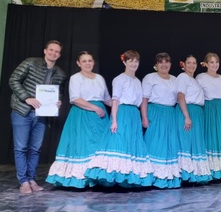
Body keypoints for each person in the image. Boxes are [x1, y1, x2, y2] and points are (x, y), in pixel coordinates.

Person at [84, 50, 155, 187]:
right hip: (123, 113)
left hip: (134, 114)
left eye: (136, 61)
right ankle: (114, 177)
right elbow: (115, 101)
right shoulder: (119, 79)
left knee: (131, 143)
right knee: (119, 142)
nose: (134, 64)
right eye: (131, 61)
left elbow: (140, 102)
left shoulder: (137, 81)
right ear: (124, 62)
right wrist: (114, 120)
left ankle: (129, 178)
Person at [46, 51, 111, 188]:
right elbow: (75, 99)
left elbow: (106, 98)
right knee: (83, 146)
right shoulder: (76, 78)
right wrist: (95, 108)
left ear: (93, 62)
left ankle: (98, 178)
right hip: (83, 114)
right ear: (78, 63)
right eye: (84, 61)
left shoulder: (99, 78)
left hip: (100, 117)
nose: (88, 63)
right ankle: (82, 179)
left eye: (90, 60)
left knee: (100, 146)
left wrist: (121, 107)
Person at [9, 40, 66, 194]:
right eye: (51, 50)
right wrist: (27, 98)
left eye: (57, 51)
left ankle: (31, 179)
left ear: (59, 55)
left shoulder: (60, 73)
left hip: (42, 115)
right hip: (22, 111)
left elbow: (57, 92)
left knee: (35, 149)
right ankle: (23, 182)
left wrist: (57, 102)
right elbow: (13, 80)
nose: (53, 53)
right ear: (45, 51)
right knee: (21, 147)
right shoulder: (30, 63)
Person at [141, 52, 182, 189]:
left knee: (170, 144)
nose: (164, 64)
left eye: (167, 61)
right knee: (154, 143)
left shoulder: (175, 80)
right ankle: (151, 177)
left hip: (170, 114)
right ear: (156, 65)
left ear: (170, 64)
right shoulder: (150, 78)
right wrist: (145, 117)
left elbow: (180, 99)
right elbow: (144, 99)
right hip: (155, 113)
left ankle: (167, 178)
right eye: (161, 62)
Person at [196, 52, 221, 180]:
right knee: (210, 135)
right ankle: (211, 170)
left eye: (216, 62)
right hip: (209, 108)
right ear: (206, 64)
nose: (214, 65)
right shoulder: (200, 77)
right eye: (212, 62)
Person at [175, 55, 212, 183]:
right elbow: (180, 96)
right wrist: (186, 116)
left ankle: (194, 174)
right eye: (189, 63)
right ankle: (185, 175)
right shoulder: (183, 77)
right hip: (188, 110)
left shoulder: (194, 80)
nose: (191, 65)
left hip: (197, 112)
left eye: (194, 63)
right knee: (186, 141)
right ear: (183, 65)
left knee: (194, 142)